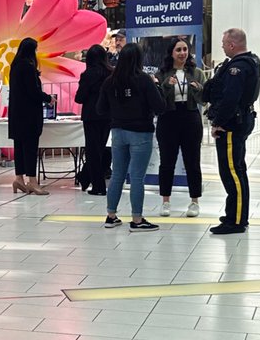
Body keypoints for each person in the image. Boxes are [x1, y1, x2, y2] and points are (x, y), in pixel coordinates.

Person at [98, 43, 166, 231]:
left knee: (117, 175)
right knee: (137, 177)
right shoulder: (144, 80)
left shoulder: (110, 81)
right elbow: (160, 107)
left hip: (118, 132)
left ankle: (111, 216)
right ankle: (137, 219)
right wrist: (158, 87)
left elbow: (100, 109)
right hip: (140, 132)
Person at [203, 28, 260, 235]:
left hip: (232, 124)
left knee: (231, 173)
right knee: (237, 170)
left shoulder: (237, 68)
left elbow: (230, 98)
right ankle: (236, 214)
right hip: (241, 120)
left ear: (232, 45)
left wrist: (219, 122)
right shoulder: (251, 61)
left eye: (223, 43)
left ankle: (235, 220)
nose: (222, 46)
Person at [157, 36, 204, 218]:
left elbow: (204, 98)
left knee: (192, 161)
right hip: (168, 118)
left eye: (185, 49)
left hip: (191, 117)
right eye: (178, 50)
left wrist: (197, 89)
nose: (182, 53)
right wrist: (166, 87)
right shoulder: (162, 73)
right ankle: (166, 201)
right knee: (167, 162)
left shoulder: (197, 72)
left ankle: (194, 201)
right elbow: (158, 99)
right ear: (171, 53)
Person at [6, 38, 51, 195]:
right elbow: (33, 92)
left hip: (17, 114)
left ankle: (19, 178)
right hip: (29, 116)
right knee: (31, 148)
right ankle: (32, 181)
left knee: (19, 147)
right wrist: (48, 98)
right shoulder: (28, 67)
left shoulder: (15, 66)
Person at [74, 44, 112, 196]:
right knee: (101, 149)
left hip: (91, 116)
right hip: (108, 116)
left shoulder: (88, 74)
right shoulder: (111, 73)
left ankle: (97, 186)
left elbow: (79, 97)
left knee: (92, 151)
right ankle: (84, 176)